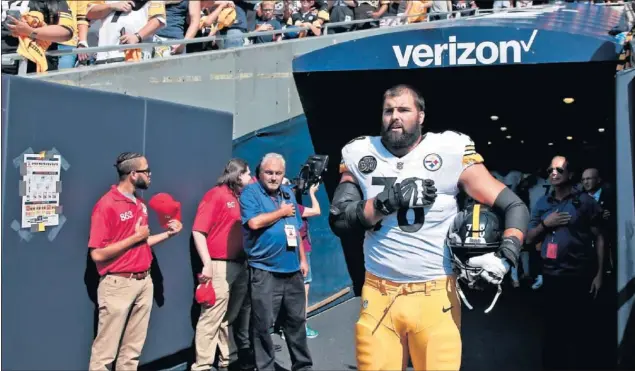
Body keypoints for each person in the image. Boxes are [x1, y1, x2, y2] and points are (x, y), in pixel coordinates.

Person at [329, 84, 529, 371]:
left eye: (403, 110)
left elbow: (514, 206)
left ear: (421, 116)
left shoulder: (449, 150)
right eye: (388, 111)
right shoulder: (360, 152)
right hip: (378, 293)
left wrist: (507, 254)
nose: (394, 117)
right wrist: (389, 201)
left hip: (435, 294)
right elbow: (340, 219)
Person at [87, 152, 183, 371]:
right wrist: (135, 237)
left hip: (143, 283)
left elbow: (142, 243)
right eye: (146, 171)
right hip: (117, 285)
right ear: (132, 174)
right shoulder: (107, 205)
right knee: (104, 355)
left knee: (131, 353)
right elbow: (97, 254)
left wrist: (168, 234)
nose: (150, 175)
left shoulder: (139, 203)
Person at [525, 156, 605, 370]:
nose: (554, 173)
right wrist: (545, 224)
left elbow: (599, 237)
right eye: (551, 169)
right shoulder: (543, 203)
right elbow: (529, 238)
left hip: (580, 277)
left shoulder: (586, 203)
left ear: (570, 175)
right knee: (553, 334)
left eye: (559, 170)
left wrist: (599, 275)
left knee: (581, 334)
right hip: (552, 277)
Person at [240, 153, 312, 371]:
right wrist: (280, 212)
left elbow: (296, 229)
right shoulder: (250, 193)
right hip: (265, 270)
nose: (273, 177)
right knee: (262, 324)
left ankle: (303, 366)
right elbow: (253, 223)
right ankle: (266, 368)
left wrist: (302, 259)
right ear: (259, 173)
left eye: (278, 173)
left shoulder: (288, 193)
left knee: (297, 322)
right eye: (269, 172)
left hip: (292, 270)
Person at [191, 158, 254, 371]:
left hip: (240, 265)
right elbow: (198, 231)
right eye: (247, 173)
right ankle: (202, 366)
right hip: (219, 266)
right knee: (211, 318)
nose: (251, 177)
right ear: (237, 176)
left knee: (229, 317)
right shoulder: (216, 195)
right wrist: (207, 264)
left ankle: (228, 360)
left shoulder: (242, 197)